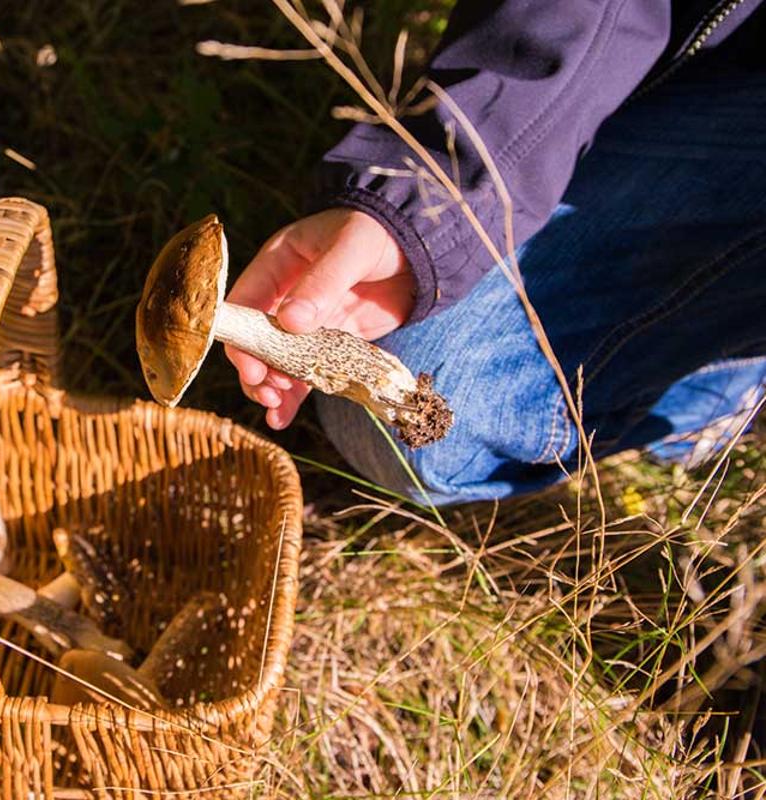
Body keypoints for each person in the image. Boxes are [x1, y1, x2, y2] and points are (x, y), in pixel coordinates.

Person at [225, 0, 766, 505]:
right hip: (694, 65)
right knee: (399, 418)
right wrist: (432, 202)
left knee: (422, 424)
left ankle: (718, 382)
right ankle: (715, 380)